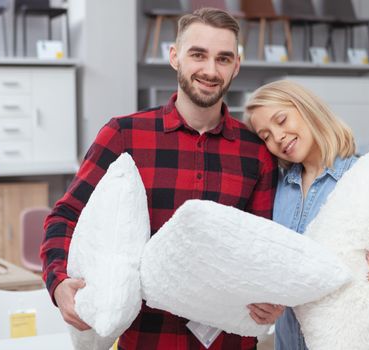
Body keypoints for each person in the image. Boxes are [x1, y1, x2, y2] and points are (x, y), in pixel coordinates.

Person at [40, 7, 283, 350]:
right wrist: (59, 283)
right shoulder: (124, 135)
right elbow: (66, 217)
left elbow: (266, 247)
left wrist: (272, 294)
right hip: (146, 341)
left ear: (236, 66)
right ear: (174, 57)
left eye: (223, 59)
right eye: (198, 55)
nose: (210, 70)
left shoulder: (255, 152)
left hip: (232, 343)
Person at [244, 80, 369, 350]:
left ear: (307, 108)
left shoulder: (367, 176)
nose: (278, 136)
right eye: (266, 136)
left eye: (281, 120)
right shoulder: (276, 188)